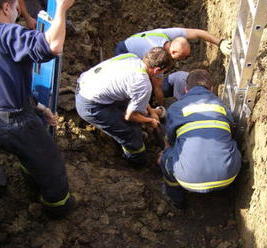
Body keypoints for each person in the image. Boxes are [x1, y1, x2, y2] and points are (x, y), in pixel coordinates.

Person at [0, 0, 75, 218]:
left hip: (13, 112)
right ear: (6, 8)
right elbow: (52, 45)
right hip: (13, 121)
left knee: (29, 149)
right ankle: (58, 208)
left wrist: (38, 107)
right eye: (15, 7)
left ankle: (19, 183)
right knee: (49, 165)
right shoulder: (7, 33)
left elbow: (8, 82)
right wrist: (61, 9)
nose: (18, 12)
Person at [158, 69, 241, 209]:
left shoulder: (176, 108)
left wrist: (167, 153)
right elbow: (232, 133)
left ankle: (177, 201)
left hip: (188, 180)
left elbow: (170, 140)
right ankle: (226, 197)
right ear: (212, 88)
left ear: (185, 89)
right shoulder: (223, 107)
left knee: (164, 159)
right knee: (231, 143)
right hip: (228, 176)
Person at [75, 47, 173, 165]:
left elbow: (135, 92)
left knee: (134, 114)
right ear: (157, 70)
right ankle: (136, 161)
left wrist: (150, 110)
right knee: (130, 133)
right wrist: (150, 121)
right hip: (90, 105)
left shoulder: (131, 57)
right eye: (163, 72)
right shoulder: (143, 84)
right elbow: (130, 116)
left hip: (86, 85)